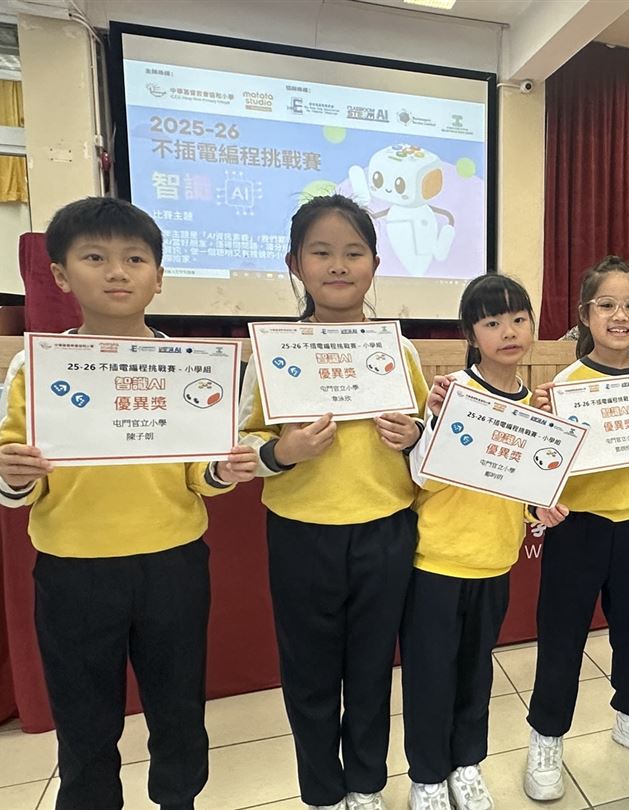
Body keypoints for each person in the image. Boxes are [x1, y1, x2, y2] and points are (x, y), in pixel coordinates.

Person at [0, 196, 259, 810]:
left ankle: (179, 800)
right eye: (94, 258)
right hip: (73, 568)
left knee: (179, 708)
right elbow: (6, 481)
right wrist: (14, 475)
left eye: (135, 259)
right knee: (84, 718)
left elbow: (199, 475)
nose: (117, 272)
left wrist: (222, 469)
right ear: (61, 275)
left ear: (158, 277)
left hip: (173, 563)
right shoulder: (37, 366)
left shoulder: (186, 368)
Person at [238, 194, 429, 810]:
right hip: (302, 532)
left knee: (372, 670)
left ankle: (366, 785)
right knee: (310, 673)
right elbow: (243, 445)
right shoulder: (274, 352)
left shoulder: (399, 351)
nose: (339, 265)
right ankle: (322, 791)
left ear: (375, 264)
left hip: (386, 529)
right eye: (321, 252)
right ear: (295, 264)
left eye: (353, 252)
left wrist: (414, 435)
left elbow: (429, 439)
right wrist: (282, 451)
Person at [522, 257, 629, 800]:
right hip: (580, 530)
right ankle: (546, 737)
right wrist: (545, 428)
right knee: (562, 638)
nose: (619, 316)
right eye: (606, 306)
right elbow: (540, 470)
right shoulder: (563, 388)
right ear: (585, 316)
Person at [403, 274, 570, 810]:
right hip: (435, 563)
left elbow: (523, 488)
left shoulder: (534, 404)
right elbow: (419, 476)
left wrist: (539, 508)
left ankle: (466, 765)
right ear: (471, 334)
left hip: (495, 561)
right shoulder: (451, 392)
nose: (509, 332)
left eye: (519, 319)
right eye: (493, 322)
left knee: (476, 674)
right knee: (430, 677)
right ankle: (427, 776)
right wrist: (434, 422)